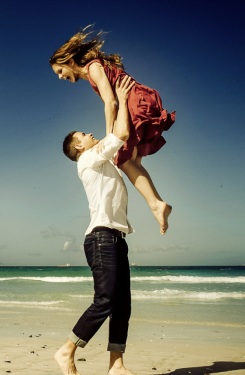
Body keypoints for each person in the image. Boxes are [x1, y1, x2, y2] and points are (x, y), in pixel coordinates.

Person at [54, 74, 149, 375]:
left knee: (122, 304)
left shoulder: (101, 160)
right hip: (101, 238)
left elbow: (111, 130)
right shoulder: (89, 161)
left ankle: (116, 366)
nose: (91, 133)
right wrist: (121, 100)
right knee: (105, 300)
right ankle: (67, 349)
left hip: (115, 237)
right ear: (78, 147)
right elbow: (119, 132)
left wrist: (111, 103)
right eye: (84, 133)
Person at [50, 26, 175, 235]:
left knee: (123, 159)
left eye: (60, 71)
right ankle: (157, 205)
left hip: (133, 102)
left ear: (70, 61)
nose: (60, 77)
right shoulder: (93, 70)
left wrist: (110, 138)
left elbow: (110, 102)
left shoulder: (92, 68)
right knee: (132, 162)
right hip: (137, 101)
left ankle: (156, 205)